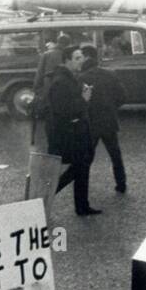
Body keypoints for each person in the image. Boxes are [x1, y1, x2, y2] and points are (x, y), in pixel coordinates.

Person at [47, 45, 101, 217]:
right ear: (67, 60)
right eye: (77, 58)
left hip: (77, 131)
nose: (81, 61)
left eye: (81, 57)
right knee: (78, 168)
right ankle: (45, 197)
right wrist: (84, 100)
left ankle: (82, 206)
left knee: (80, 168)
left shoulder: (69, 77)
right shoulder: (61, 81)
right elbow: (64, 110)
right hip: (70, 134)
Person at [79, 44, 127, 195]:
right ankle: (121, 184)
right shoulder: (110, 74)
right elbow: (122, 96)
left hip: (91, 122)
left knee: (87, 156)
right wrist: (112, 107)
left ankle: (83, 187)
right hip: (109, 120)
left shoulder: (81, 78)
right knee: (115, 154)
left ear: (86, 57)